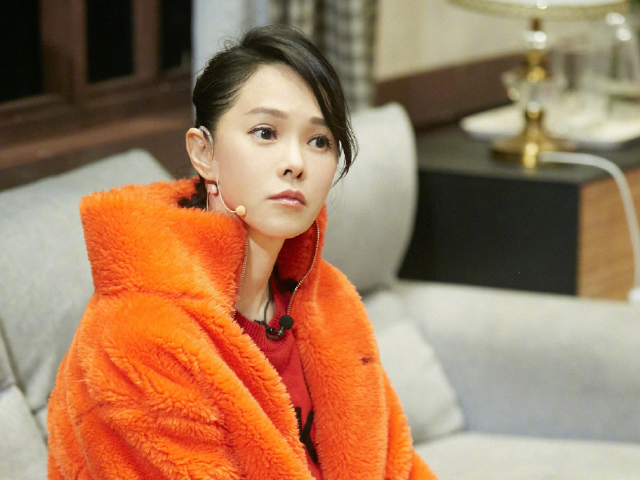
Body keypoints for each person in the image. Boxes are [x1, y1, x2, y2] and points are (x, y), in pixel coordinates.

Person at [46, 24, 438, 480]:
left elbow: (398, 464)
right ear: (203, 153)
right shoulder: (138, 333)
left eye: (319, 141)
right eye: (265, 132)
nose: (296, 163)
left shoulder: (330, 301)